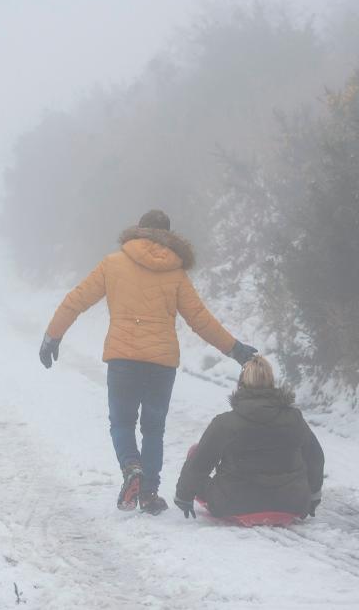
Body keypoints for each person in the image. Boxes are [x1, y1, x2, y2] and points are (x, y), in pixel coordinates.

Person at [39, 209, 257, 515]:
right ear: (169, 236)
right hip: (161, 363)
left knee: (122, 423)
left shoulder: (113, 264)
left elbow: (77, 299)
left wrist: (53, 336)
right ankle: (149, 494)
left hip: (123, 360)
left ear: (139, 231)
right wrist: (235, 350)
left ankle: (131, 468)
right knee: (154, 429)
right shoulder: (176, 273)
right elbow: (200, 320)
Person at [173, 356, 324, 524]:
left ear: (240, 385)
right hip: (291, 503)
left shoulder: (225, 423)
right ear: (272, 383)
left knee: (196, 451)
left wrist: (183, 495)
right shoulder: (294, 419)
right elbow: (315, 457)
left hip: (235, 502)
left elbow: (200, 464)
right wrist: (313, 496)